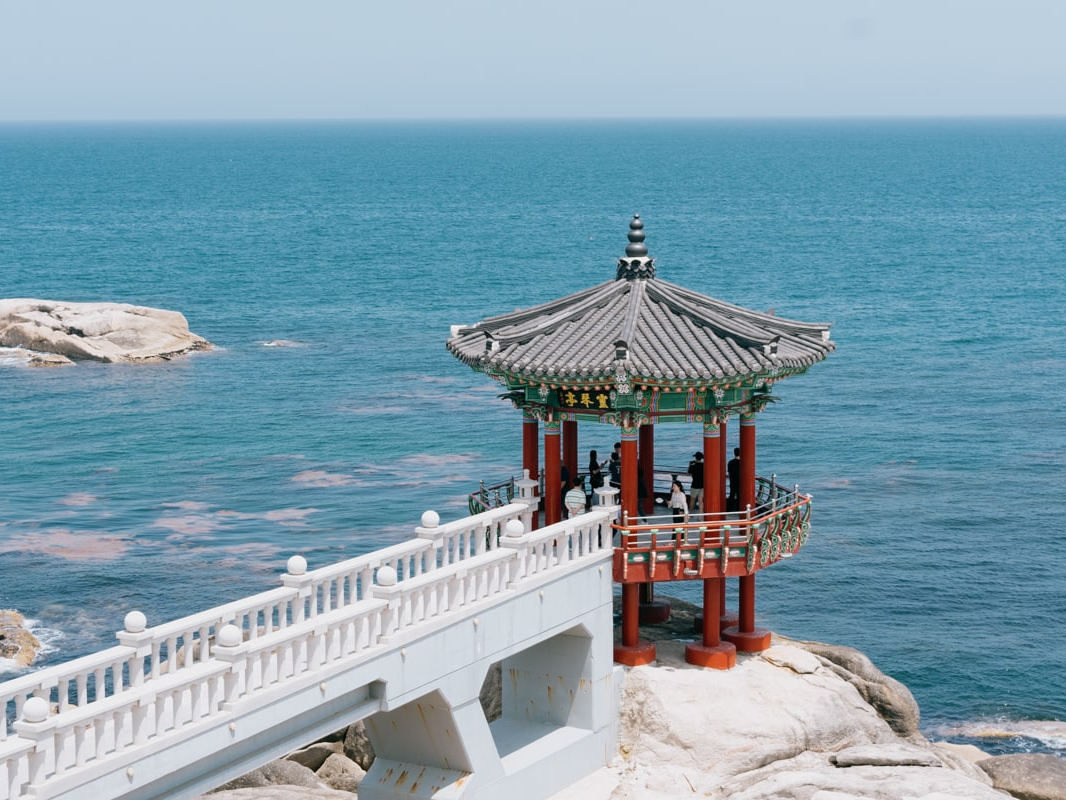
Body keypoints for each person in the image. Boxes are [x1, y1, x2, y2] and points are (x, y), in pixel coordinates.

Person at [727, 447, 741, 512]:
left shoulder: (730, 462)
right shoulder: (742, 463)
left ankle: (729, 509)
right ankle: (738, 509)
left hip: (732, 481)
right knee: (739, 496)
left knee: (731, 495)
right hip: (740, 482)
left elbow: (729, 473)